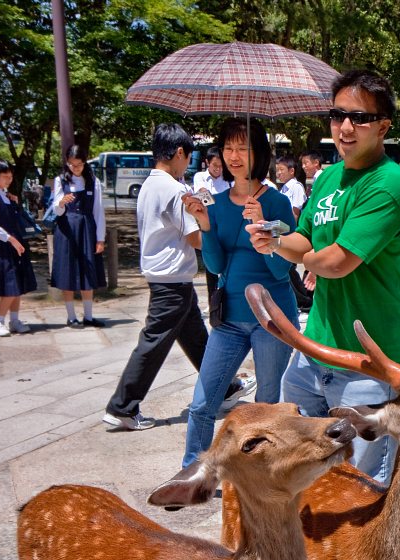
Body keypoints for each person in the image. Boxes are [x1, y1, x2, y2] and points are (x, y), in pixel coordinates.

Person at [248, 69, 400, 484]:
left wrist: (304, 257)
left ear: (382, 126)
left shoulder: (390, 183)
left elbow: (338, 261)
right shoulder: (327, 178)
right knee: (299, 469)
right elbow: (303, 238)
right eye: (337, 115)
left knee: (360, 485)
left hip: (367, 363)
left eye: (359, 117)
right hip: (311, 350)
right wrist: (273, 240)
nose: (345, 127)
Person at [103, 123, 253, 432]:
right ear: (179, 153)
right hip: (171, 279)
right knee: (154, 342)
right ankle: (123, 405)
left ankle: (225, 388)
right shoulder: (173, 189)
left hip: (168, 277)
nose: (189, 162)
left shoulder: (150, 184)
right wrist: (221, 239)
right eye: (188, 156)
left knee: (197, 340)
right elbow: (195, 237)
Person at [173, 117, 298, 471]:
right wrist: (205, 224)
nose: (233, 155)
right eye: (228, 147)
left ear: (258, 153)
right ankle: (193, 470)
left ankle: (262, 471)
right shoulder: (216, 202)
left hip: (272, 319)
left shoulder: (276, 203)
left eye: (242, 147)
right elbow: (214, 267)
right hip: (230, 318)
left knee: (266, 403)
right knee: (202, 403)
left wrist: (262, 229)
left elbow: (281, 269)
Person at [50, 145, 107, 328]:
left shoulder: (93, 181)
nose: (75, 168)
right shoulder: (60, 181)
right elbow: (56, 211)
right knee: (68, 272)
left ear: (84, 163)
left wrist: (100, 238)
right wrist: (61, 203)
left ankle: (88, 316)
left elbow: (98, 211)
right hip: (66, 230)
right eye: (72, 165)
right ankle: (71, 316)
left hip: (86, 230)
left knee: (88, 271)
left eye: (79, 164)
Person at [0, 159, 37, 337]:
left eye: (10, 176)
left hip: (14, 244)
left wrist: (15, 203)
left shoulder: (5, 195)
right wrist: (10, 239)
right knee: (10, 285)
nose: (9, 179)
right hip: (2, 245)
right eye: (5, 176)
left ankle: (14, 320)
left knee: (17, 284)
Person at [191, 146, 231, 300]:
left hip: (225, 224)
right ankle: (212, 298)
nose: (218, 169)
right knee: (211, 263)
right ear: (207, 163)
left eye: (221, 166)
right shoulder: (200, 177)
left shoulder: (228, 179)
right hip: (209, 224)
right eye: (215, 166)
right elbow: (204, 195)